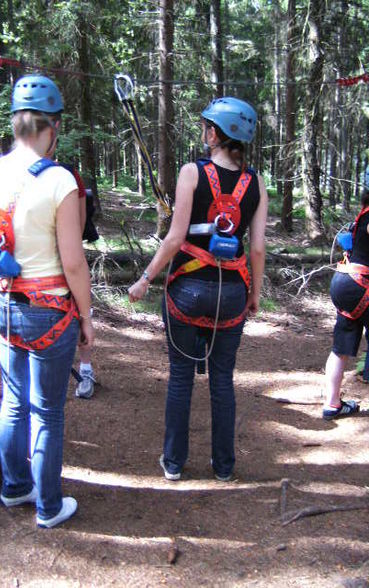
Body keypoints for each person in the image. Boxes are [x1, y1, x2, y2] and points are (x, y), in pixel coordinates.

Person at [0, 74, 94, 527]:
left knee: (13, 400)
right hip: (50, 309)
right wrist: (86, 317)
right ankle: (48, 506)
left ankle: (15, 487)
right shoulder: (60, 180)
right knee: (46, 410)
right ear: (54, 127)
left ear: (15, 124)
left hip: (4, 304)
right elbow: (74, 264)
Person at [128, 97, 268, 481]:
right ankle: (224, 466)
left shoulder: (193, 172)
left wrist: (145, 280)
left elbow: (175, 238)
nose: (204, 131)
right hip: (233, 294)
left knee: (181, 377)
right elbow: (256, 247)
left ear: (219, 134)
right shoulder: (256, 183)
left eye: (209, 126)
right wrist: (254, 292)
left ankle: (173, 463)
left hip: (187, 291)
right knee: (222, 379)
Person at [323, 167, 369, 420]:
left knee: (340, 349)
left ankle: (332, 404)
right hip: (358, 285)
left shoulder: (363, 214)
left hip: (346, 284)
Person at [59, 164, 97, 399]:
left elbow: (80, 224)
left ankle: (85, 369)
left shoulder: (69, 174)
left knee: (81, 311)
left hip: (67, 256)